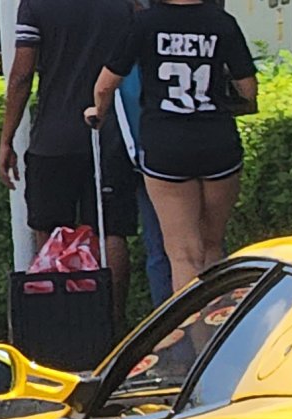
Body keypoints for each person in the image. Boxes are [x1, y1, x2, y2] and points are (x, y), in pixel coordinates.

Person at [90, 0, 258, 294]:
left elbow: (105, 85)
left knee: (182, 254)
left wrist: (98, 112)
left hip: (165, 144)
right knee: (212, 246)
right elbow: (249, 89)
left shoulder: (144, 23)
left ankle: (191, 323)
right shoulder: (222, 22)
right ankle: (218, 319)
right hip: (217, 141)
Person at [0, 0, 136, 328]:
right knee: (111, 231)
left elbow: (22, 75)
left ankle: (57, 323)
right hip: (109, 133)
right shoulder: (123, 4)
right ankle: (112, 325)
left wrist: (6, 138)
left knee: (49, 230)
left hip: (53, 137)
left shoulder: (35, 5)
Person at [112, 0, 174, 309]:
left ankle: (169, 323)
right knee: (204, 245)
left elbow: (109, 92)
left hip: (144, 158)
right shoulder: (169, 37)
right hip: (193, 152)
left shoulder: (128, 43)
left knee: (161, 248)